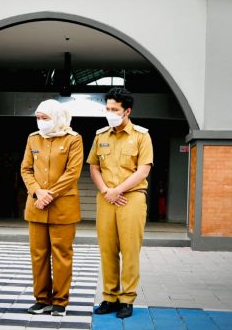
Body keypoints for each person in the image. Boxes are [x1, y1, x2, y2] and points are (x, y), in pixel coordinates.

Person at [90, 88, 153, 320]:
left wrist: (118, 190)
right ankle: (110, 296)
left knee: (129, 251)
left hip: (132, 197)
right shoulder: (101, 136)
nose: (110, 113)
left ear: (127, 111)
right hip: (106, 197)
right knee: (107, 249)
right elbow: (94, 167)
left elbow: (144, 169)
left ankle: (127, 299)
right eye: (107, 109)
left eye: (114, 109)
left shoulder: (141, 136)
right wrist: (107, 190)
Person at [20, 99, 83, 317]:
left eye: (45, 118)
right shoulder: (32, 139)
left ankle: (60, 301)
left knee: (62, 254)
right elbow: (25, 169)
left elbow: (73, 173)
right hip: (36, 205)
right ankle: (41, 299)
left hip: (63, 206)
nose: (40, 122)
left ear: (56, 118)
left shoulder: (74, 139)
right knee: (38, 254)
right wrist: (38, 191)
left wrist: (49, 195)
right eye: (38, 117)